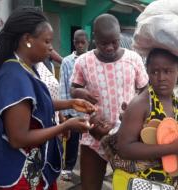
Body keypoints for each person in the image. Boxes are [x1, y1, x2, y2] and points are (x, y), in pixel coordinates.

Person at [0, 7, 95, 189]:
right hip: (17, 173)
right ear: (28, 40)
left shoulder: (24, 68)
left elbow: (31, 106)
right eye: (47, 41)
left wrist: (70, 103)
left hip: (28, 167)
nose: (51, 47)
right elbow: (18, 138)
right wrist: (65, 126)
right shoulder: (14, 76)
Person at [70, 14, 149, 190]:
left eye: (114, 41)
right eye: (103, 43)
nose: (109, 47)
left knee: (127, 186)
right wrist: (79, 92)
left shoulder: (133, 59)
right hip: (94, 136)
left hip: (126, 137)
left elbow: (145, 91)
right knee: (90, 186)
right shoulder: (83, 62)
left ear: (119, 36)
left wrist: (135, 108)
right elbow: (73, 88)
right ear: (94, 39)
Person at [113, 48, 178, 189]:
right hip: (135, 182)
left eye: (168, 71)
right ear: (147, 72)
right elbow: (124, 148)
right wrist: (171, 148)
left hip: (166, 183)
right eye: (154, 72)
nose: (161, 78)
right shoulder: (141, 104)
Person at [59, 29, 89, 181]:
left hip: (88, 111)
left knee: (88, 143)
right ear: (73, 43)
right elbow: (63, 85)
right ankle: (68, 168)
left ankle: (88, 168)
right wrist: (64, 111)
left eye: (83, 42)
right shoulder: (66, 61)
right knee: (71, 143)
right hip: (72, 109)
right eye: (77, 42)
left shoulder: (92, 60)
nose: (80, 45)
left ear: (87, 42)